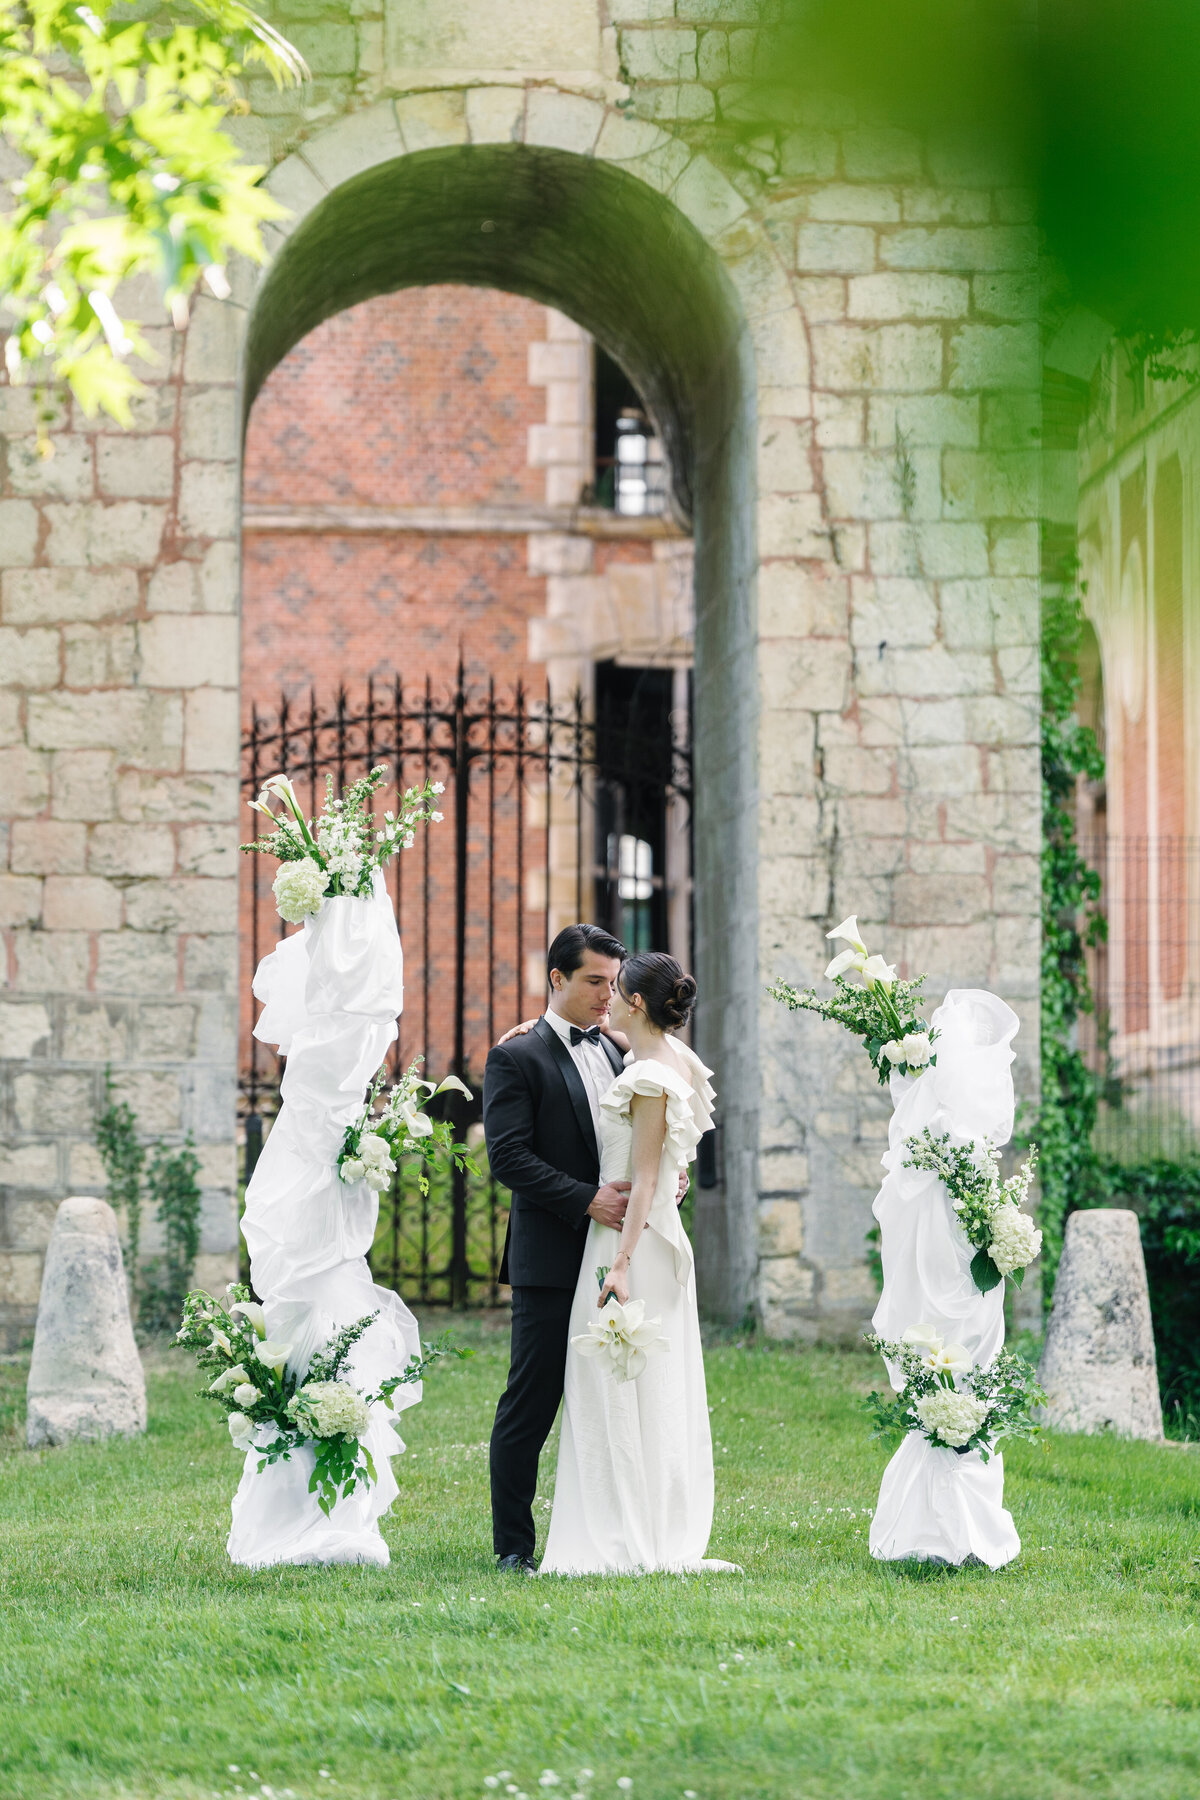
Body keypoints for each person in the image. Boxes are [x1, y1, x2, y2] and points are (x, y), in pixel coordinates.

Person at [539, 951, 736, 1576]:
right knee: (647, 1381)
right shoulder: (672, 1058)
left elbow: (646, 1177)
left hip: (630, 1241)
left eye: (616, 989)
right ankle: (650, 1519)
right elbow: (674, 1156)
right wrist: (535, 1028)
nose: (608, 998)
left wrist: (619, 1264)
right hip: (653, 1234)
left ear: (639, 1003)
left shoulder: (648, 1076)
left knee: (617, 1383)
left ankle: (624, 1533)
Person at [483, 923, 631, 1574]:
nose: (607, 995)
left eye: (613, 984)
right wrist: (585, 1199)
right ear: (557, 980)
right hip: (550, 1256)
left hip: (616, 1257)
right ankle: (513, 1545)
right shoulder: (517, 1056)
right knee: (531, 1403)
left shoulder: (622, 1054)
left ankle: (607, 1532)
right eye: (595, 982)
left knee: (613, 1398)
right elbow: (508, 1156)